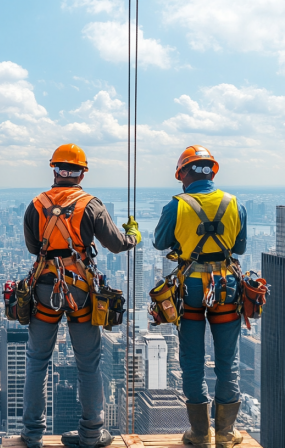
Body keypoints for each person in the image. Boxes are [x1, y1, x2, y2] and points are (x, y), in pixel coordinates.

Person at [21, 143, 139, 448]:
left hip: (45, 287)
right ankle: (91, 435)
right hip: (82, 290)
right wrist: (133, 235)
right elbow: (116, 244)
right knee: (88, 363)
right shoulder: (91, 204)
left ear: (55, 170)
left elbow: (35, 249)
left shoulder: (36, 204)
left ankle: (32, 435)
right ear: (82, 173)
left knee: (37, 361)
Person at [153, 146, 246, 448]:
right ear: (211, 171)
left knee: (192, 360)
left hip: (191, 288)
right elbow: (240, 248)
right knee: (227, 360)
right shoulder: (234, 204)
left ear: (183, 173)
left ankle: (200, 434)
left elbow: (159, 242)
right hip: (226, 286)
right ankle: (226, 433)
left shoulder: (176, 205)